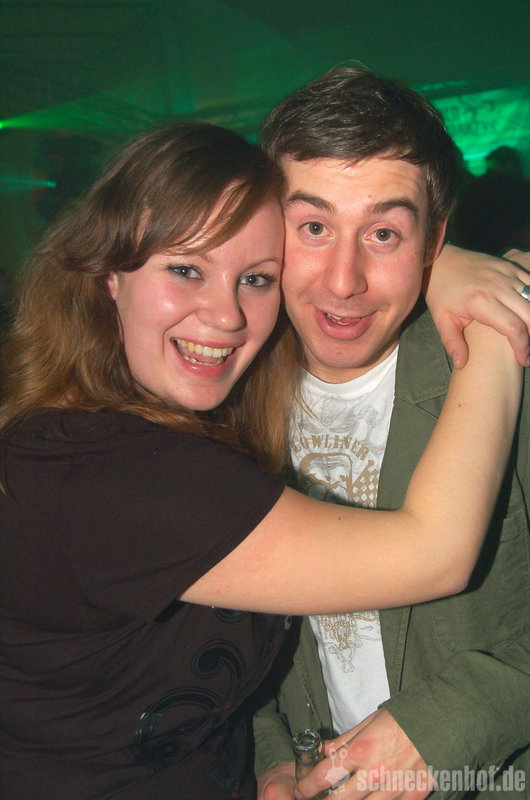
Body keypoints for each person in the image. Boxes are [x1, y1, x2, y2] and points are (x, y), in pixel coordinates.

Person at [0, 120, 524, 800]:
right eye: (185, 269)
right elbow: (434, 552)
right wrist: (493, 317)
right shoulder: (100, 469)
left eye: (254, 277)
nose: (225, 315)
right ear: (107, 274)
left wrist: (273, 757)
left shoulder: (213, 409)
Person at [252, 67, 530, 800]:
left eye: (383, 233)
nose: (343, 280)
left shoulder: (506, 368)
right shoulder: (226, 395)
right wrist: (271, 755)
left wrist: (446, 726)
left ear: (433, 239)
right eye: (314, 227)